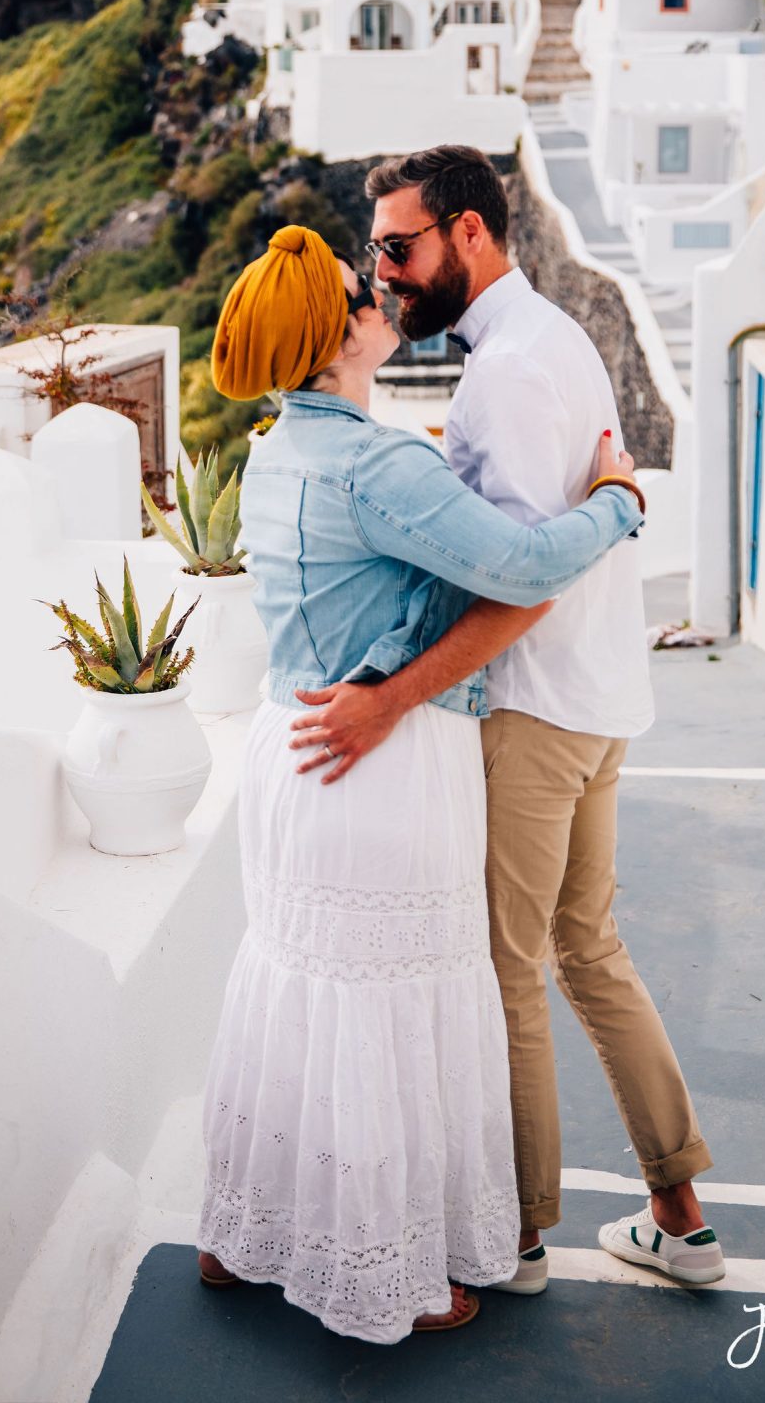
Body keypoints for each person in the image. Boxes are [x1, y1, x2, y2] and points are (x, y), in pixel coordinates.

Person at [197, 223, 646, 1343]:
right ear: (332, 331)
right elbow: (528, 565)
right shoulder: (377, 461)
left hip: (293, 753)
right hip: (384, 773)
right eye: (360, 291)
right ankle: (386, 1276)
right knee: (388, 1007)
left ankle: (238, 1234)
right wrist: (618, 497)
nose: (378, 296)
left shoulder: (274, 450)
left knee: (298, 990)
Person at [289, 147, 726, 1293]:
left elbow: (522, 583)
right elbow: (537, 527)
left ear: (469, 232)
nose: (385, 272)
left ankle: (519, 1235)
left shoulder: (503, 376)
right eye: (377, 249)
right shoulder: (553, 338)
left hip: (533, 714)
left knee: (506, 971)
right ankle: (679, 1215)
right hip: (598, 702)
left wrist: (389, 697)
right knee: (591, 951)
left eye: (399, 244)